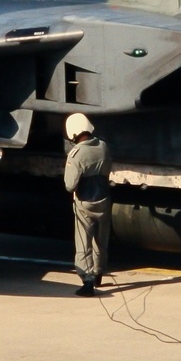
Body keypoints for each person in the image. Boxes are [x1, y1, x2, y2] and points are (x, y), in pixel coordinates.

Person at [63, 113, 112, 296]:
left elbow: (70, 185)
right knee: (101, 240)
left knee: (84, 242)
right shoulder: (103, 146)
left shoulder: (76, 154)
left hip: (85, 202)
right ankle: (99, 273)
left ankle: (88, 281)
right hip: (104, 199)